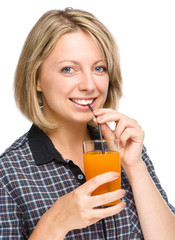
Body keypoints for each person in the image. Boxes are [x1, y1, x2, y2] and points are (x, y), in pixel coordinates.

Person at [0, 8, 174, 240]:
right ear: (36, 79)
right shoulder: (8, 175)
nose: (89, 85)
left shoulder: (125, 149)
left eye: (98, 68)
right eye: (68, 69)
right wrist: (53, 224)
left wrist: (134, 168)